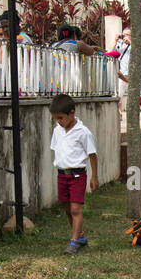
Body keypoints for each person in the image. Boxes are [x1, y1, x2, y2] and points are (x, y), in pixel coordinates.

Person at [50, 94, 98, 254]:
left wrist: (94, 176)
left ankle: (74, 241)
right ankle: (80, 236)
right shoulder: (57, 131)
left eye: (61, 118)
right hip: (62, 175)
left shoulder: (83, 132)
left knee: (76, 208)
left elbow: (92, 154)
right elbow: (56, 150)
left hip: (77, 175)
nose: (59, 121)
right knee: (67, 208)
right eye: (56, 118)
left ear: (72, 113)